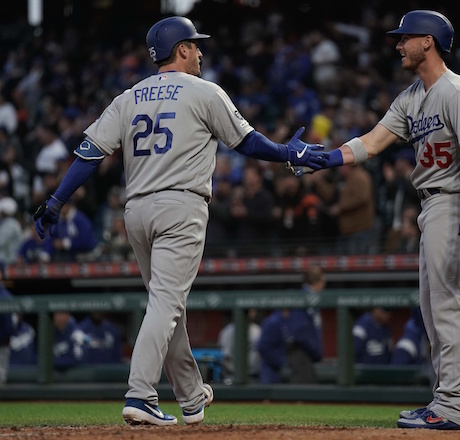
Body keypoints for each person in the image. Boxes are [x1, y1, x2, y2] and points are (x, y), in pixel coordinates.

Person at [31, 16, 328, 426]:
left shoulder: (129, 96)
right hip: (180, 207)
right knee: (167, 304)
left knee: (168, 306)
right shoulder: (204, 91)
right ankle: (140, 393)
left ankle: (191, 397)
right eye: (195, 45)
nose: (201, 51)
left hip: (135, 212)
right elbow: (246, 141)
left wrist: (56, 199)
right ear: (182, 49)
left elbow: (89, 152)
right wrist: (288, 154)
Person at [291, 10, 460, 430]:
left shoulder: (456, 91)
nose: (399, 44)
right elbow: (372, 141)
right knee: (432, 308)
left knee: (449, 304)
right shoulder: (411, 96)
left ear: (428, 42)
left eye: (406, 38)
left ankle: (453, 405)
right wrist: (324, 159)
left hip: (455, 201)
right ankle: (444, 401)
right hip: (432, 205)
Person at [257, 266, 325, 384]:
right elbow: (263, 347)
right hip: (273, 372)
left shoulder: (286, 319)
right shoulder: (274, 322)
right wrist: (283, 362)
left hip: (295, 362)